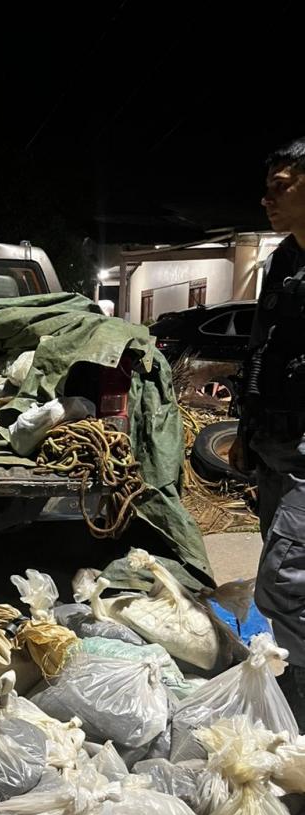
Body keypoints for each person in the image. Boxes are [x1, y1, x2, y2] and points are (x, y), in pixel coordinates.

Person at [231, 136, 305, 728]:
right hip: (276, 446)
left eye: (280, 188)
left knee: (284, 581)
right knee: (288, 587)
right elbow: (262, 349)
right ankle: (291, 706)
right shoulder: (283, 260)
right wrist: (247, 429)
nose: (266, 200)